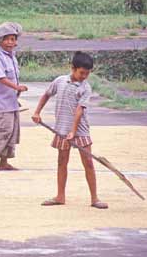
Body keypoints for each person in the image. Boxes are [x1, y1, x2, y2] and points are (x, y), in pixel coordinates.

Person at [32, 51, 108, 209]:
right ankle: (60, 196)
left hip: (80, 130)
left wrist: (73, 132)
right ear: (72, 68)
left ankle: (94, 199)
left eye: (87, 73)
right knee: (62, 162)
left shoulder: (85, 88)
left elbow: (79, 110)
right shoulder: (60, 81)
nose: (84, 76)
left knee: (88, 162)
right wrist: (37, 112)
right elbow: (46, 95)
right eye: (82, 72)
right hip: (61, 129)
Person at [0, 22, 28, 171]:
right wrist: (17, 87)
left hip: (11, 100)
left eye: (13, 39)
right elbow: (0, 77)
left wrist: (17, 91)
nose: (10, 42)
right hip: (1, 101)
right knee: (5, 129)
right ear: (0, 40)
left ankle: (4, 161)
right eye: (7, 39)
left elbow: (13, 77)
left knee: (13, 131)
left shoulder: (11, 57)